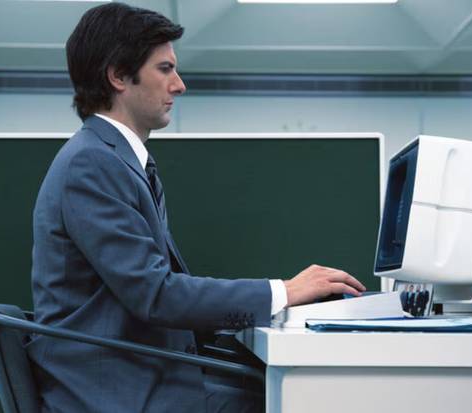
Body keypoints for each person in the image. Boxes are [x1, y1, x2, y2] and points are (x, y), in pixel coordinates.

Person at [27, 3, 366, 412]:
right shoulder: (93, 163)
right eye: (165, 69)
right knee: (299, 395)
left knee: (286, 386)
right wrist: (284, 291)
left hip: (139, 373)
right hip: (115, 391)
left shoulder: (116, 160)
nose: (180, 85)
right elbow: (156, 294)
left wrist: (274, 305)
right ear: (118, 76)